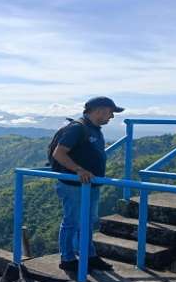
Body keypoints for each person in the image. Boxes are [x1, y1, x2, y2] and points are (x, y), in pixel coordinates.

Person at [50, 96, 124, 272]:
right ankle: (67, 259)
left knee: (88, 221)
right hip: (73, 185)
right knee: (72, 222)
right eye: (110, 112)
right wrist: (78, 170)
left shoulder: (95, 129)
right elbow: (58, 154)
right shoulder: (77, 128)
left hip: (90, 185)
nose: (112, 117)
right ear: (99, 110)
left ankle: (89, 256)